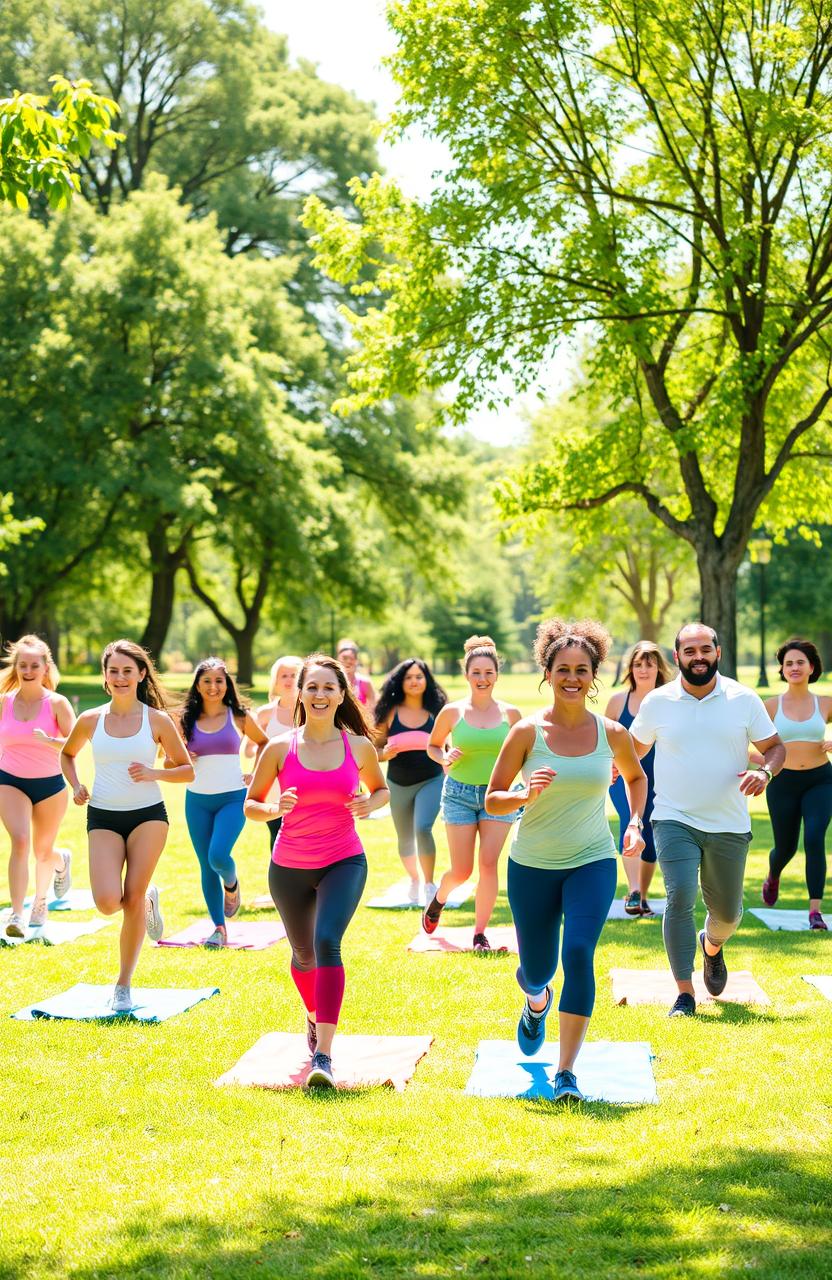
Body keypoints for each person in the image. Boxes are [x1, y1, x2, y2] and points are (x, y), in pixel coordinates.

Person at [486, 619, 647, 1103]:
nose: (572, 677)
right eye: (563, 669)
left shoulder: (613, 733)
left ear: (594, 675)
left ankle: (566, 1072)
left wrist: (635, 820)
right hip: (532, 863)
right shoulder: (525, 732)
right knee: (538, 968)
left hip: (592, 860)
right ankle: (536, 999)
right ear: (547, 673)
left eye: (581, 669)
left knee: (578, 954)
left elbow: (636, 779)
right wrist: (521, 794)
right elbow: (492, 799)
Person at [244, 653, 388, 1088]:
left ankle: (323, 1054)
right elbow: (250, 805)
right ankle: (313, 1014)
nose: (320, 694)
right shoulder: (278, 748)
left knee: (327, 943)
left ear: (342, 694)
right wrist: (274, 808)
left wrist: (370, 802)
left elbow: (381, 791)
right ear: (299, 694)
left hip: (344, 859)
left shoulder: (357, 747)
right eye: (312, 687)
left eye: (329, 687)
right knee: (303, 956)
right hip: (289, 866)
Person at [630, 623, 785, 1017]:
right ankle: (684, 992)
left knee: (729, 915)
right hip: (672, 817)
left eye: (705, 649)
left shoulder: (743, 699)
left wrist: (764, 773)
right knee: (679, 895)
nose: (698, 657)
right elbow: (631, 748)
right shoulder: (658, 702)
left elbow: (774, 747)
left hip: (729, 823)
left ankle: (711, 945)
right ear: (677, 656)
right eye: (689, 651)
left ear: (718, 652)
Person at [60, 640, 194, 1011]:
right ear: (105, 675)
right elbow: (67, 754)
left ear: (141, 675)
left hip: (148, 815)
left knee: (130, 898)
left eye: (127, 671)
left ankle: (123, 984)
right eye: (113, 670)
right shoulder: (90, 719)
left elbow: (186, 769)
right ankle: (148, 897)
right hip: (102, 814)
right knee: (106, 903)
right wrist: (77, 785)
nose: (120, 678)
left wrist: (153, 772)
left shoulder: (156, 720)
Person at [423, 635, 522, 950]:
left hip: (499, 795)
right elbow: (433, 746)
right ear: (466, 675)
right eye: (476, 673)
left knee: (489, 864)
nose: (483, 679)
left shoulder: (511, 714)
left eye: (489, 673)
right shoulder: (452, 713)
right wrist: (444, 757)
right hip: (459, 795)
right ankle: (439, 899)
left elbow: (528, 753)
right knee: (462, 870)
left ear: (497, 675)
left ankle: (480, 933)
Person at [180, 658, 269, 946]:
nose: (213, 687)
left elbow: (265, 743)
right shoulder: (186, 719)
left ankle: (231, 883)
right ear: (197, 684)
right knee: (205, 866)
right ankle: (219, 928)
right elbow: (169, 758)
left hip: (232, 797)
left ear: (227, 684)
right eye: (206, 681)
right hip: (197, 801)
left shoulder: (238, 715)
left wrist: (255, 774)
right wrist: (182, 757)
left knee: (218, 855)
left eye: (219, 681)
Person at [0, 636, 74, 936]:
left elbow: (76, 743)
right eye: (23, 665)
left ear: (45, 667)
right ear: (16, 667)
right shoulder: (4, 702)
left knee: (42, 851)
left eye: (34, 665)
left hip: (50, 785)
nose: (28, 670)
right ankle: (16, 914)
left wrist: (50, 741)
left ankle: (42, 896)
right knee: (20, 841)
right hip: (9, 780)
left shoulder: (57, 703)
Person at [758, 638, 832, 930]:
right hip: (783, 782)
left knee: (814, 839)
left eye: (800, 662)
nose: (794, 667)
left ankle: (815, 911)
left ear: (812, 667)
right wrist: (765, 765)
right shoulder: (770, 705)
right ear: (782, 669)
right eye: (789, 663)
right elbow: (745, 743)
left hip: (821, 781)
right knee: (785, 848)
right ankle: (773, 875)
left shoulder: (825, 703)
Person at [605, 641, 673, 917]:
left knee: (653, 836)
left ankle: (642, 895)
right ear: (629, 668)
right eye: (637, 664)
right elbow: (603, 737)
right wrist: (608, 764)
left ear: (659, 668)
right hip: (624, 776)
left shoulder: (670, 700)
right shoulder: (618, 702)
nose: (643, 670)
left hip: (661, 778)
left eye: (649, 664)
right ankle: (633, 890)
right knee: (630, 821)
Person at [374, 658, 447, 903]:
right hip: (397, 783)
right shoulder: (390, 713)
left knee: (422, 828)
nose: (414, 681)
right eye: (408, 677)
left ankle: (429, 883)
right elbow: (373, 750)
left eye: (419, 676)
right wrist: (384, 754)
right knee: (404, 837)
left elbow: (449, 746)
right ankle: (414, 879)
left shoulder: (436, 712)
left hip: (431, 779)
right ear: (400, 682)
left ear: (427, 680)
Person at [244, 655, 303, 854]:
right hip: (273, 785)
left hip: (303, 782)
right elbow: (251, 748)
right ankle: (280, 877)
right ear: (275, 682)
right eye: (283, 675)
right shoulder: (265, 713)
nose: (288, 680)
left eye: (293, 675)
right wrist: (255, 769)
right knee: (278, 833)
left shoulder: (310, 711)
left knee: (303, 833)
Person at [336, 638, 376, 713]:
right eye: (344, 658)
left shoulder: (365, 683)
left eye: (352, 658)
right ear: (338, 659)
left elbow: (372, 712)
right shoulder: (332, 681)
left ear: (357, 661)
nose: (348, 661)